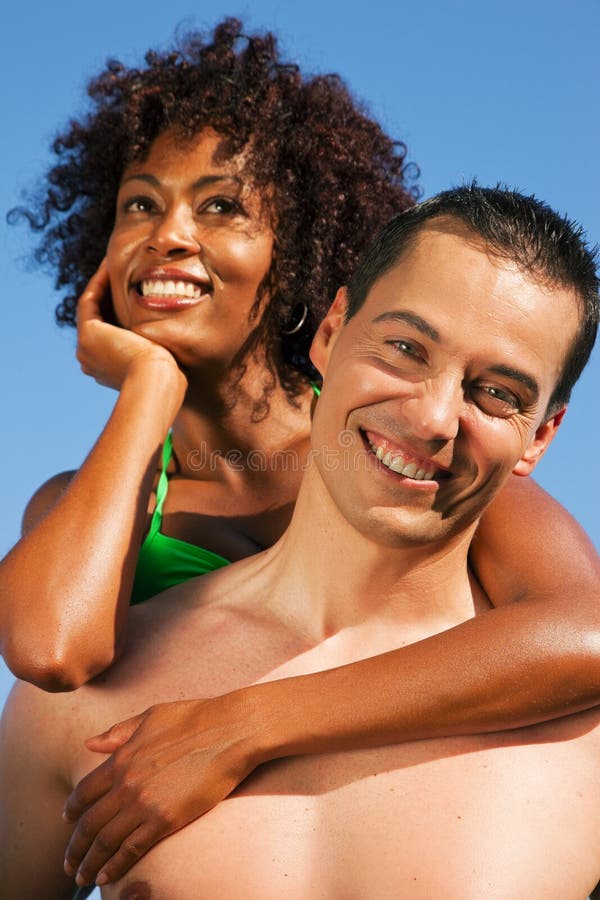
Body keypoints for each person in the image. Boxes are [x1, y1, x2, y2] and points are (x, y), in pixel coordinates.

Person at [1, 17, 599, 890]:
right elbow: (52, 655)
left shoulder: (395, 447)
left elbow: (583, 631)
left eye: (221, 207)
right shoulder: (106, 499)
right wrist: (146, 391)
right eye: (140, 203)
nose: (170, 235)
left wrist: (241, 724)